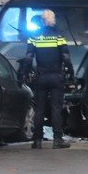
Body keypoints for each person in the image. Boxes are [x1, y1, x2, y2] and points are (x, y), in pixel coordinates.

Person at [21, 10, 73, 150]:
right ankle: (57, 140)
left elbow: (28, 58)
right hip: (56, 77)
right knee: (56, 108)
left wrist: (24, 75)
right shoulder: (59, 37)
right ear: (53, 20)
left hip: (41, 77)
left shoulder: (35, 37)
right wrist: (71, 75)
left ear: (42, 21)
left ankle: (37, 141)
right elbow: (66, 59)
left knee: (39, 109)